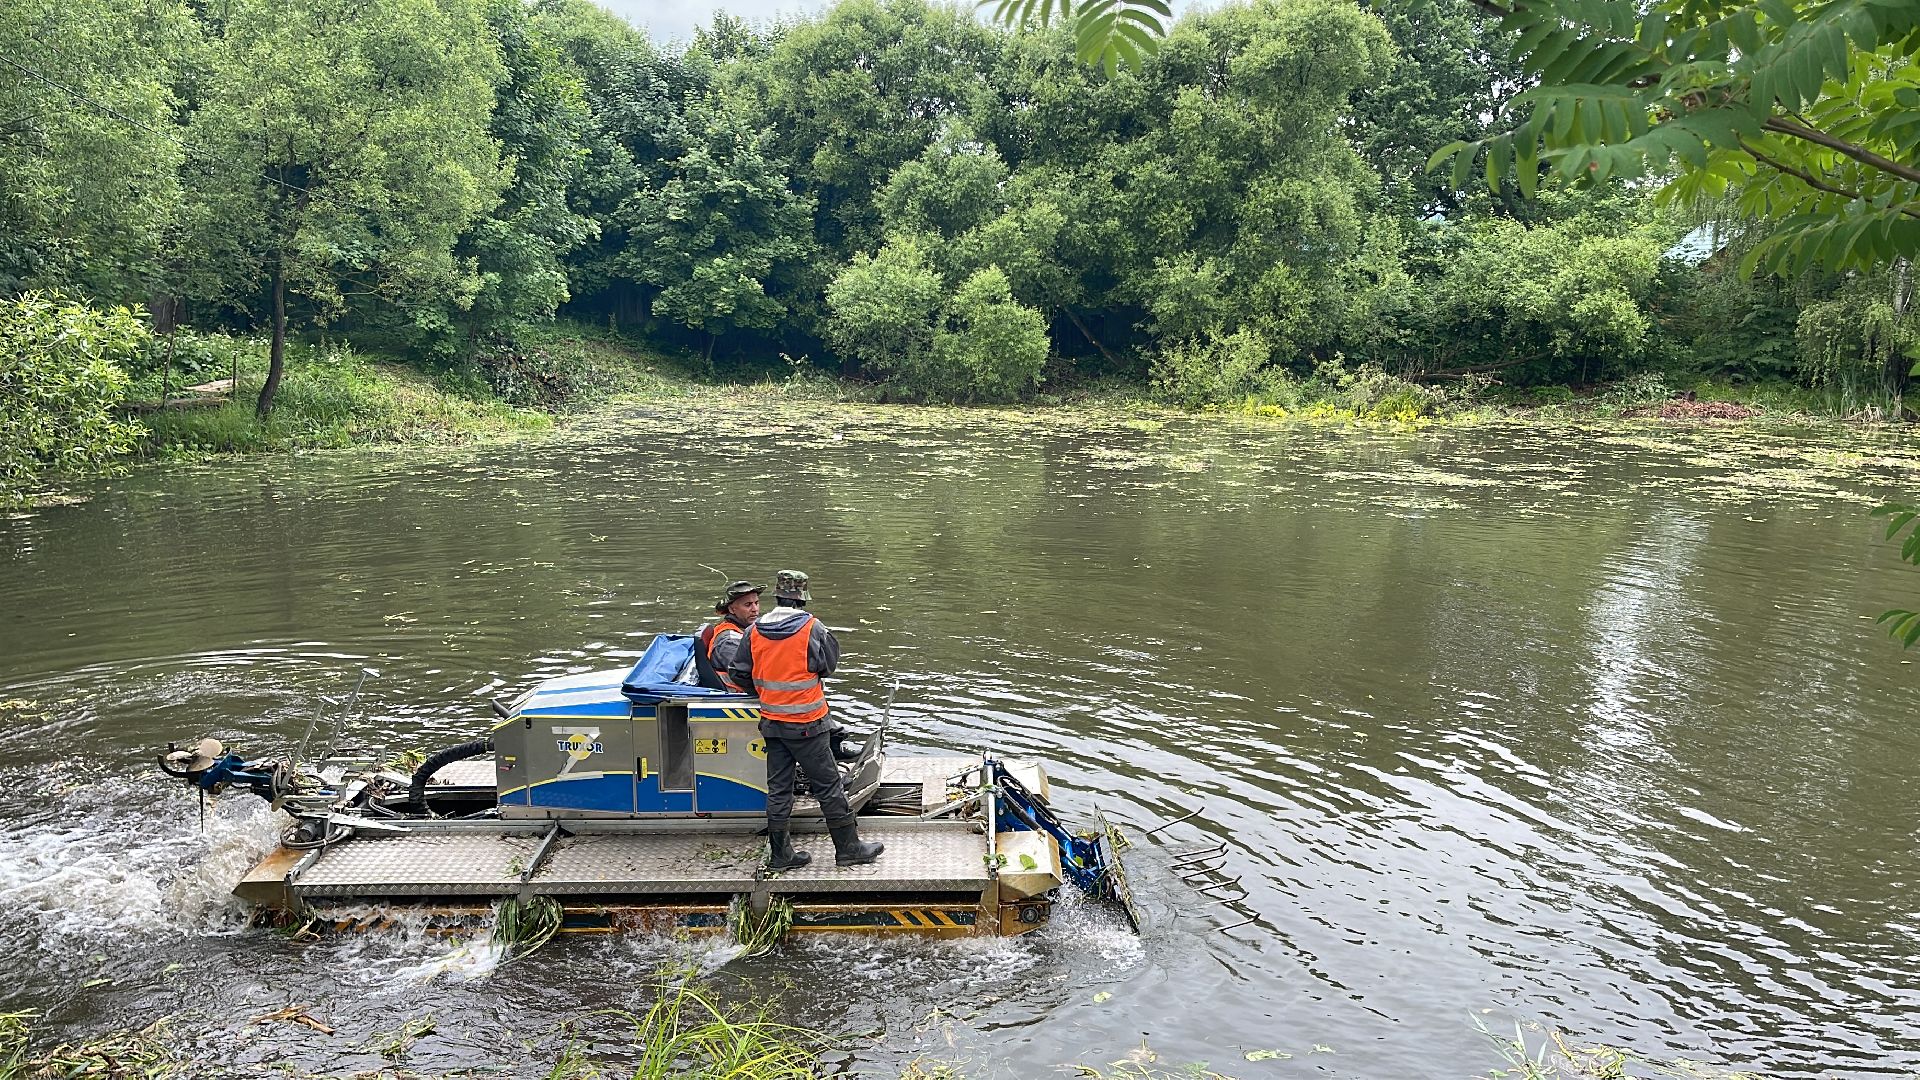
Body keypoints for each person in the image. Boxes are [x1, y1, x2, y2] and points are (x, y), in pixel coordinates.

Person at [729, 569, 884, 870]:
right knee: (828, 786)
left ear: (776, 596)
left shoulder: (754, 631)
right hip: (808, 726)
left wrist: (763, 692)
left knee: (778, 789)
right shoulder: (813, 628)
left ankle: (781, 855)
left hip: (772, 725)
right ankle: (848, 847)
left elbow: (738, 673)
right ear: (801, 598)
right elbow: (827, 666)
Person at [693, 581, 761, 692]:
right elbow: (742, 675)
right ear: (732, 609)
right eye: (748, 605)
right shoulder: (728, 641)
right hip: (739, 695)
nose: (755, 609)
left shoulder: (744, 626)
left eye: (756, 603)